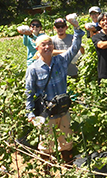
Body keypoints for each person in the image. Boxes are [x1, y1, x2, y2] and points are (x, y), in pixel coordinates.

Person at [25, 15, 84, 164]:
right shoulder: (33, 69)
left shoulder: (61, 61)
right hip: (46, 113)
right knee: (46, 146)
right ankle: (47, 174)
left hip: (63, 110)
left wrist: (76, 28)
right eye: (43, 45)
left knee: (67, 142)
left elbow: (75, 47)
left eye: (49, 44)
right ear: (37, 48)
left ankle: (68, 168)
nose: (47, 47)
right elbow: (29, 92)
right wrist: (30, 113)